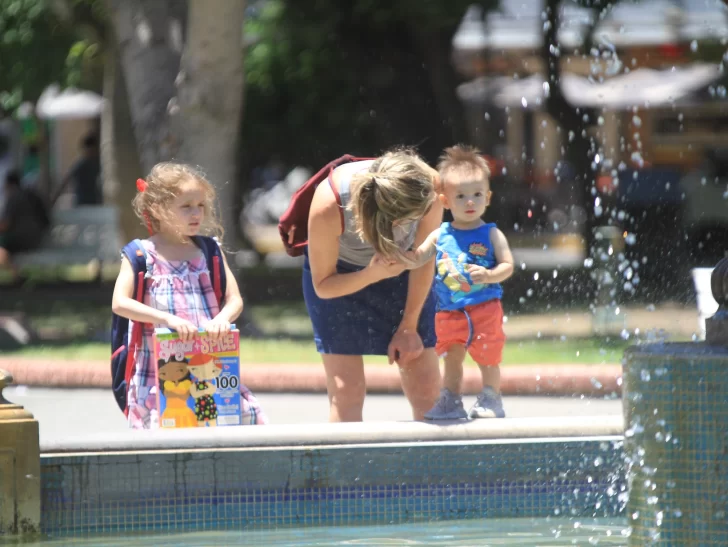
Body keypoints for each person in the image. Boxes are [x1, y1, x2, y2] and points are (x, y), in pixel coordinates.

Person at [111, 162, 267, 429]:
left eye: (200, 205)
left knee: (224, 426)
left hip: (208, 366)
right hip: (161, 372)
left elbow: (234, 300)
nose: (196, 213)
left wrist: (222, 319)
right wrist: (166, 319)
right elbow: (120, 303)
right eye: (186, 206)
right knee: (171, 429)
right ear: (157, 208)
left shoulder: (209, 251)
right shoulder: (141, 255)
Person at [304, 148, 443, 422]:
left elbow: (425, 260)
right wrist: (372, 274)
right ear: (393, 219)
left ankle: (431, 452)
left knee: (426, 386)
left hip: (407, 271)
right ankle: (346, 452)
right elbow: (323, 285)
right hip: (340, 275)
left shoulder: (428, 187)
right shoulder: (329, 205)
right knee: (346, 392)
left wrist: (409, 326)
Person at [400, 145, 514, 420]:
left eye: (477, 194)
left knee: (488, 358)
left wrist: (489, 275)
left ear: (487, 197)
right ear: (445, 201)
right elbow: (418, 257)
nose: (469, 202)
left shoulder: (492, 234)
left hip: (485, 308)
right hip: (450, 312)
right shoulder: (440, 234)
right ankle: (450, 400)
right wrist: (399, 257)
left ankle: (491, 398)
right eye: (461, 196)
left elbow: (508, 266)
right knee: (452, 358)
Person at [0, 170, 50, 273]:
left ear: (8, 184)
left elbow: (5, 224)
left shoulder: (13, 197)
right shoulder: (31, 194)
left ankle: (15, 273)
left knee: (2, 249)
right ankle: (16, 273)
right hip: (38, 238)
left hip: (21, 240)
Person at [52, 133, 102, 206]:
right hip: (81, 202)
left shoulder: (96, 163)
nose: (93, 153)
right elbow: (66, 180)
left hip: (93, 202)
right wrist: (54, 199)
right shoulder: (81, 164)